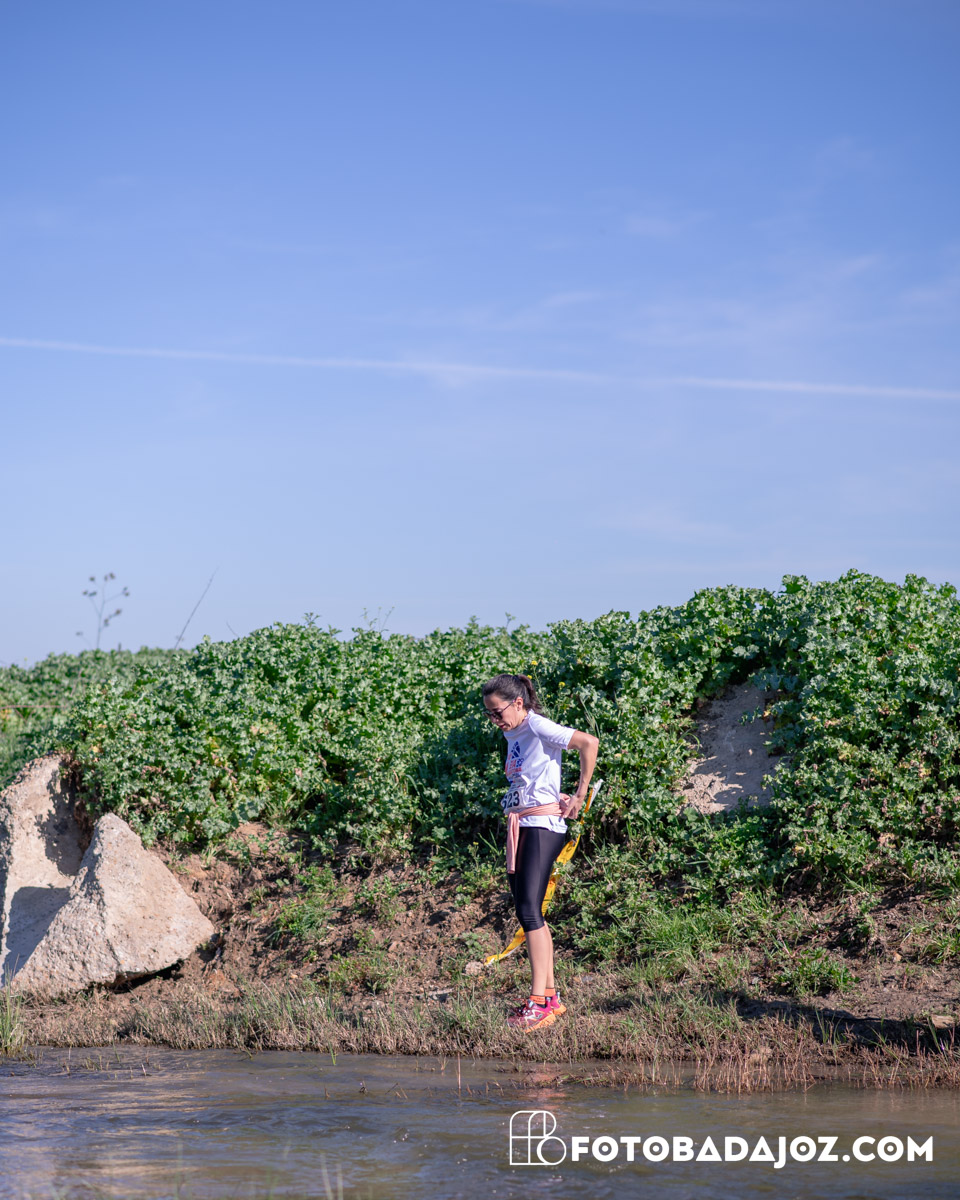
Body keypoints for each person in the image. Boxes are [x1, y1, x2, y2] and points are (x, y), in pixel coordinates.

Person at [482, 672, 599, 1032]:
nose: (495, 720)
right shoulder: (512, 732)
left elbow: (588, 742)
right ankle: (549, 998)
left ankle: (537, 1004)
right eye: (489, 714)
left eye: (498, 712)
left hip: (542, 827)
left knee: (529, 911)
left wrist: (579, 794)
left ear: (518, 703)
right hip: (522, 824)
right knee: (528, 912)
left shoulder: (536, 724)